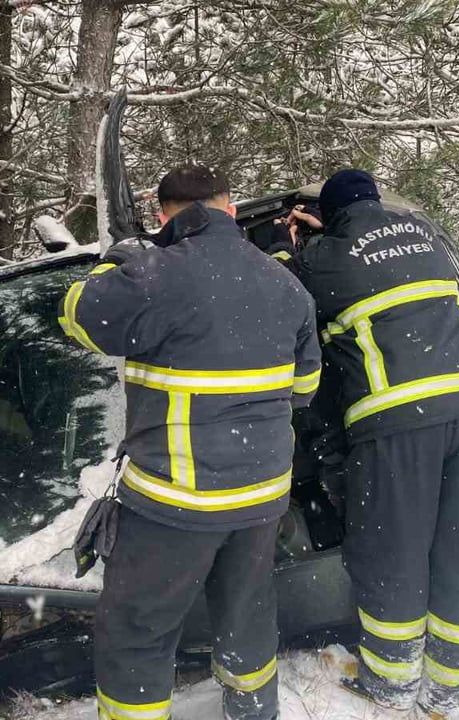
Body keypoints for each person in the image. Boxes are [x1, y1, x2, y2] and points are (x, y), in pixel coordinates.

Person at [58, 164, 322, 720]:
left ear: (162, 216)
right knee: (247, 612)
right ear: (231, 209)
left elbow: (77, 317)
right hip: (261, 496)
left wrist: (117, 259)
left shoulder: (155, 274)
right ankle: (253, 711)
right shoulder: (286, 285)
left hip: (176, 499)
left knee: (138, 631)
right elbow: (305, 389)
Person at [267, 169, 459, 717]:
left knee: (394, 552)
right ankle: (447, 687)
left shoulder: (325, 258)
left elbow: (283, 295)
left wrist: (283, 244)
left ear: (329, 213)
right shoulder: (428, 241)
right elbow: (378, 252)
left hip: (398, 419)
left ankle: (391, 683)